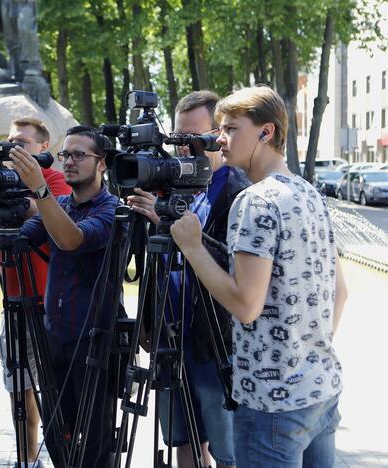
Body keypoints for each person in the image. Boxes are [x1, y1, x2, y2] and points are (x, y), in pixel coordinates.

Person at [171, 86, 347, 467]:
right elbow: (341, 292)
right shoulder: (309, 193)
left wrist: (193, 247)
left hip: (271, 403)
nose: (219, 138)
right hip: (320, 390)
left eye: (231, 128)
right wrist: (304, 354)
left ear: (266, 132)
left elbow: (245, 305)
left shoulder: (255, 200)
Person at [127, 91, 248, 468]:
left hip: (216, 344)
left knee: (227, 452)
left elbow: (234, 265)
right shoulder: (173, 189)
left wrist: (167, 225)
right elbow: (157, 262)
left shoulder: (236, 191)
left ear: (219, 136)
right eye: (178, 139)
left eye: (193, 138)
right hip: (170, 338)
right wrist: (148, 321)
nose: (184, 149)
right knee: (181, 440)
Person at [0, 117, 70, 468]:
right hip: (12, 300)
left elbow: (59, 219)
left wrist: (27, 192)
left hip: (48, 303)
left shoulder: (54, 179)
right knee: (19, 389)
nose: (12, 148)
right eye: (9, 142)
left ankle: (63, 458)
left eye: (22, 142)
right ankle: (26, 459)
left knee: (54, 391)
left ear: (43, 147)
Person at [10, 125, 119, 468]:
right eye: (65, 155)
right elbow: (19, 239)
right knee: (58, 436)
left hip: (94, 343)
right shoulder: (57, 204)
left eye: (79, 155)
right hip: (54, 337)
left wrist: (39, 190)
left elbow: (72, 240)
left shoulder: (112, 210)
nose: (69, 162)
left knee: (94, 446)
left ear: (101, 163)